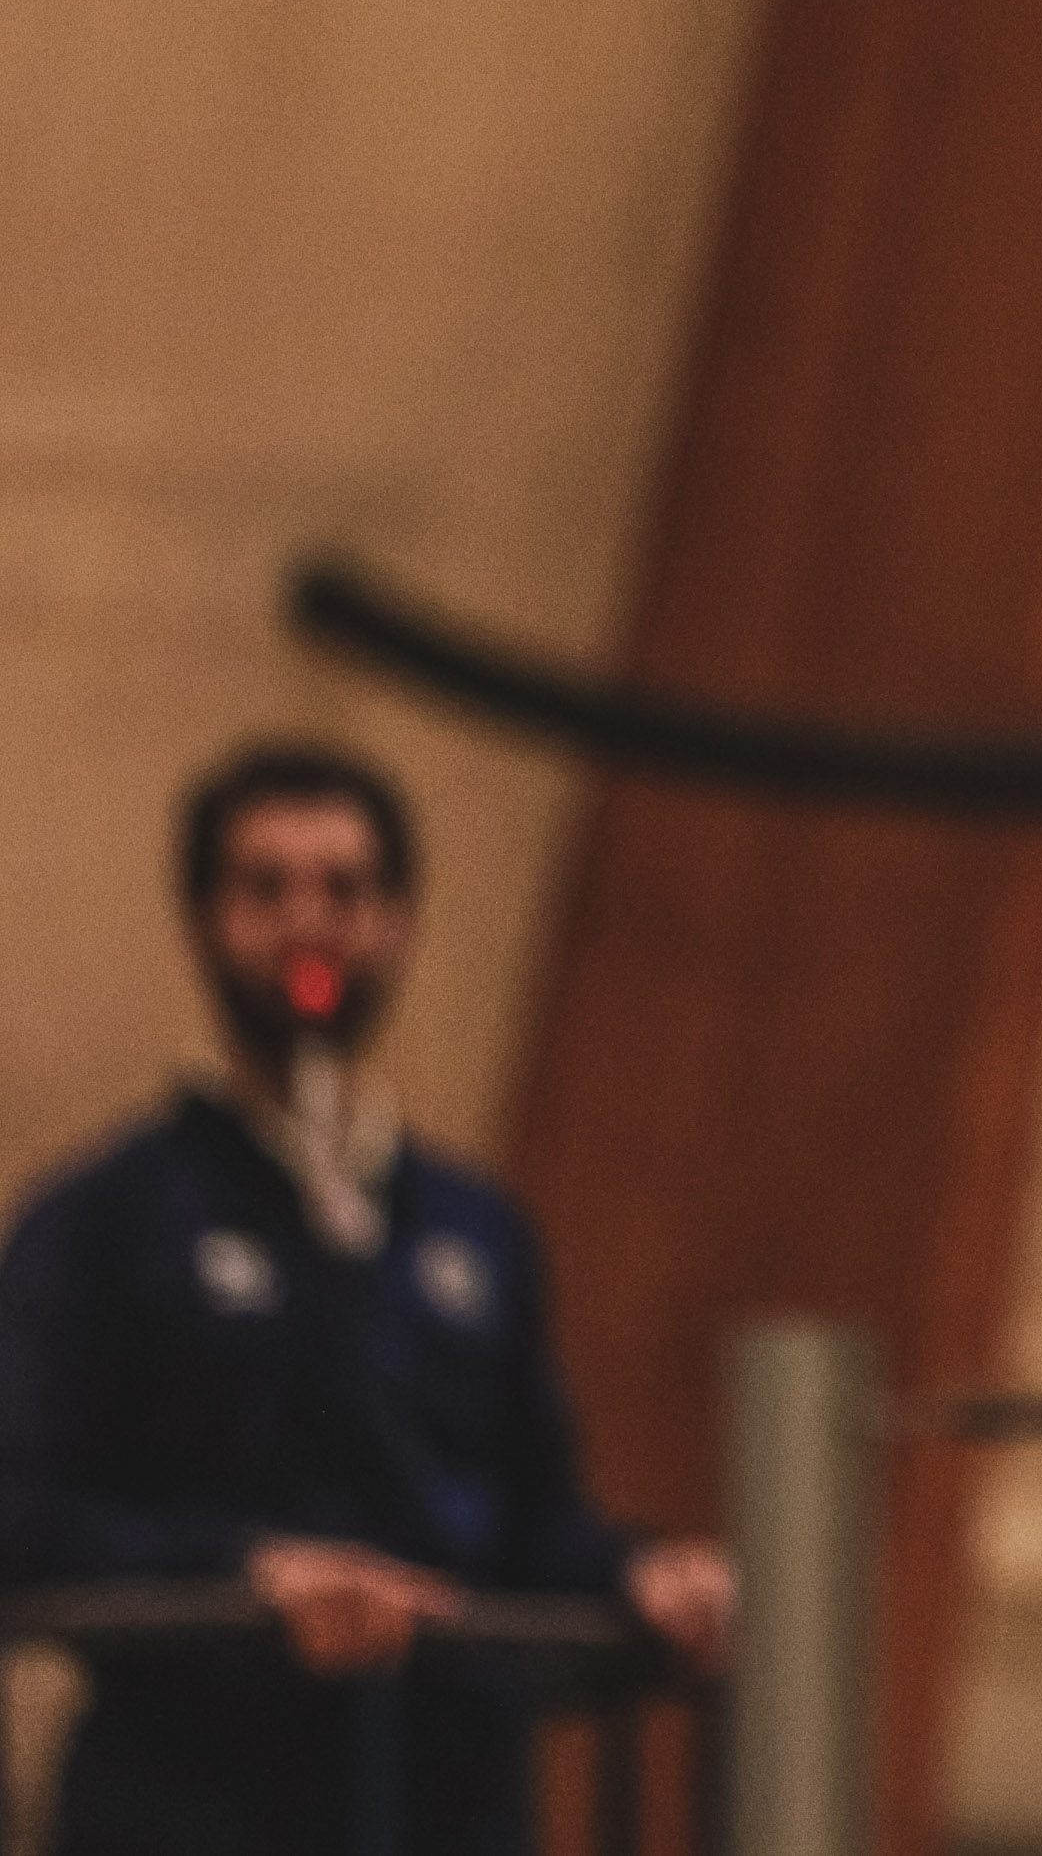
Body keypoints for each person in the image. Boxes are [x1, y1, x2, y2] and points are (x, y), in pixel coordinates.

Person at [0, 743, 733, 1855]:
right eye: (267, 887)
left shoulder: (478, 1230)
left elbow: (530, 1521)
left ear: (399, 924)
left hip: (446, 1804)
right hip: (191, 1804)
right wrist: (243, 1575)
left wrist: (641, 1572)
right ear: (203, 922)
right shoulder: (102, 1219)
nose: (310, 923)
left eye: (344, 889)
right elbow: (24, 1513)